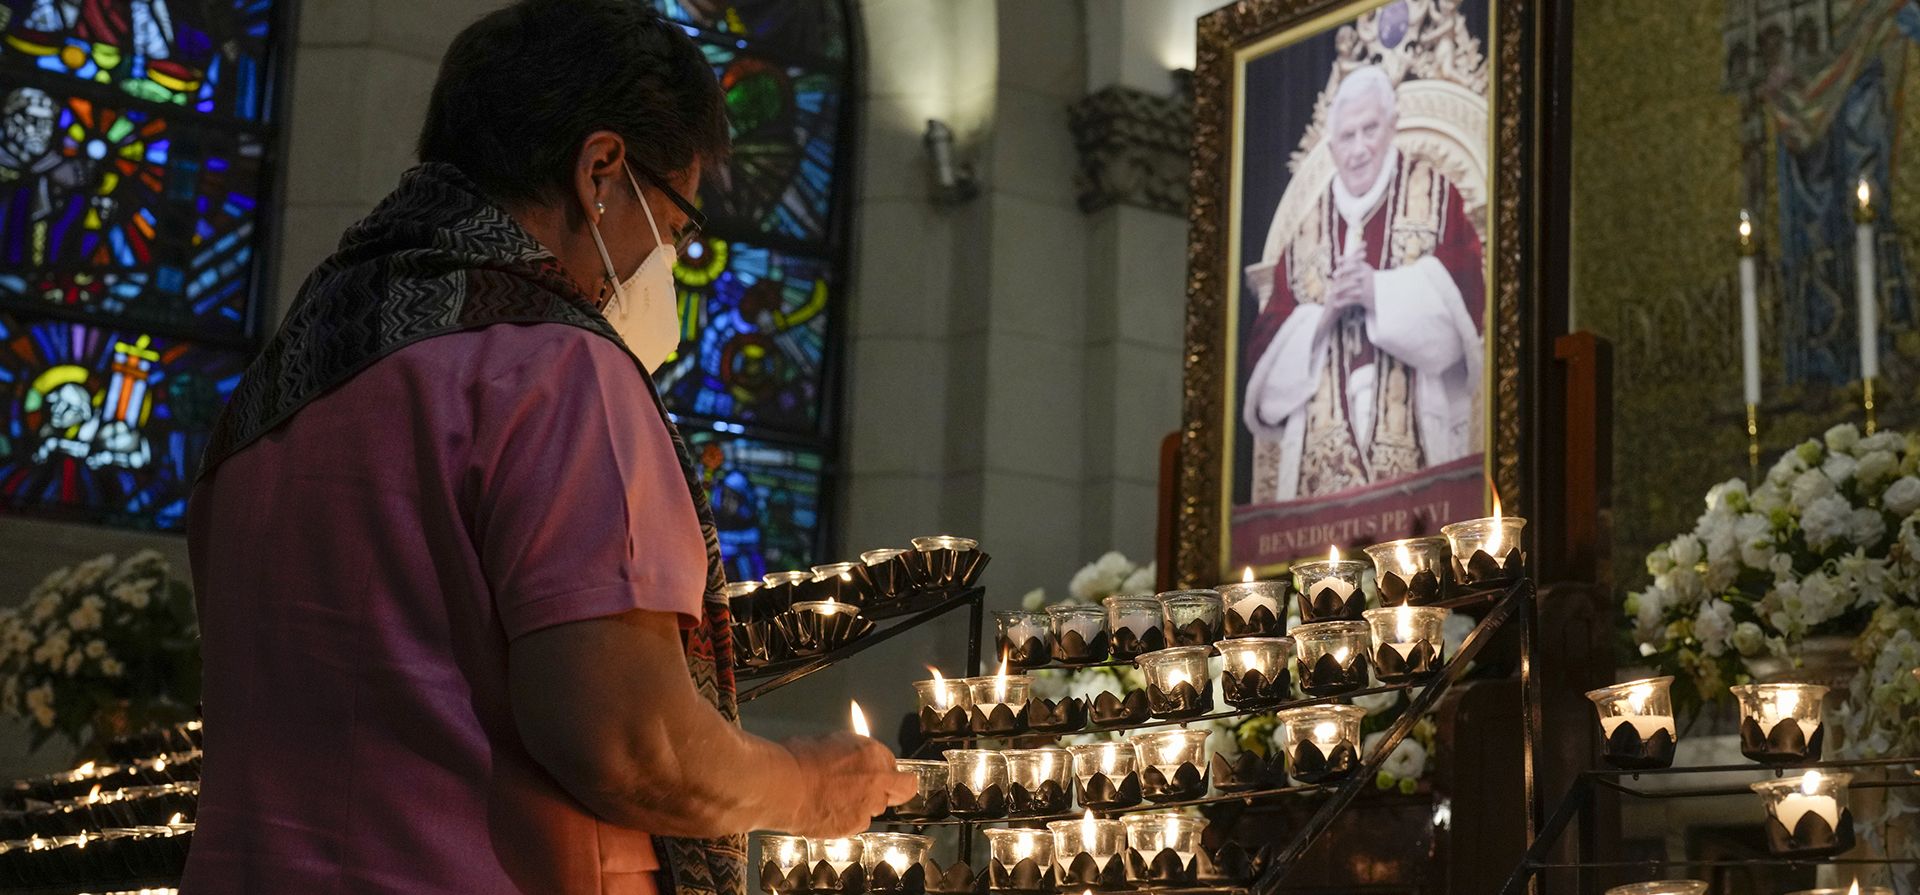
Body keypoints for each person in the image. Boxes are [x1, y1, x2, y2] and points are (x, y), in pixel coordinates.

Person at [181, 2, 913, 893]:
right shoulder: (553, 369)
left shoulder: (284, 379)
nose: (668, 263)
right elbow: (632, 745)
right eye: (679, 224)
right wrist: (805, 785)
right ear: (601, 170)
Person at [1242, 65, 1485, 502]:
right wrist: (1322, 317)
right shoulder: (1304, 236)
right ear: (1331, 148)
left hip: (1419, 460)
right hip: (1322, 484)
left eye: (1369, 130)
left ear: (1392, 127)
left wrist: (1378, 293)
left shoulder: (1436, 197)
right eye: (1346, 137)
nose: (1358, 149)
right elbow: (1264, 369)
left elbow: (1466, 320)